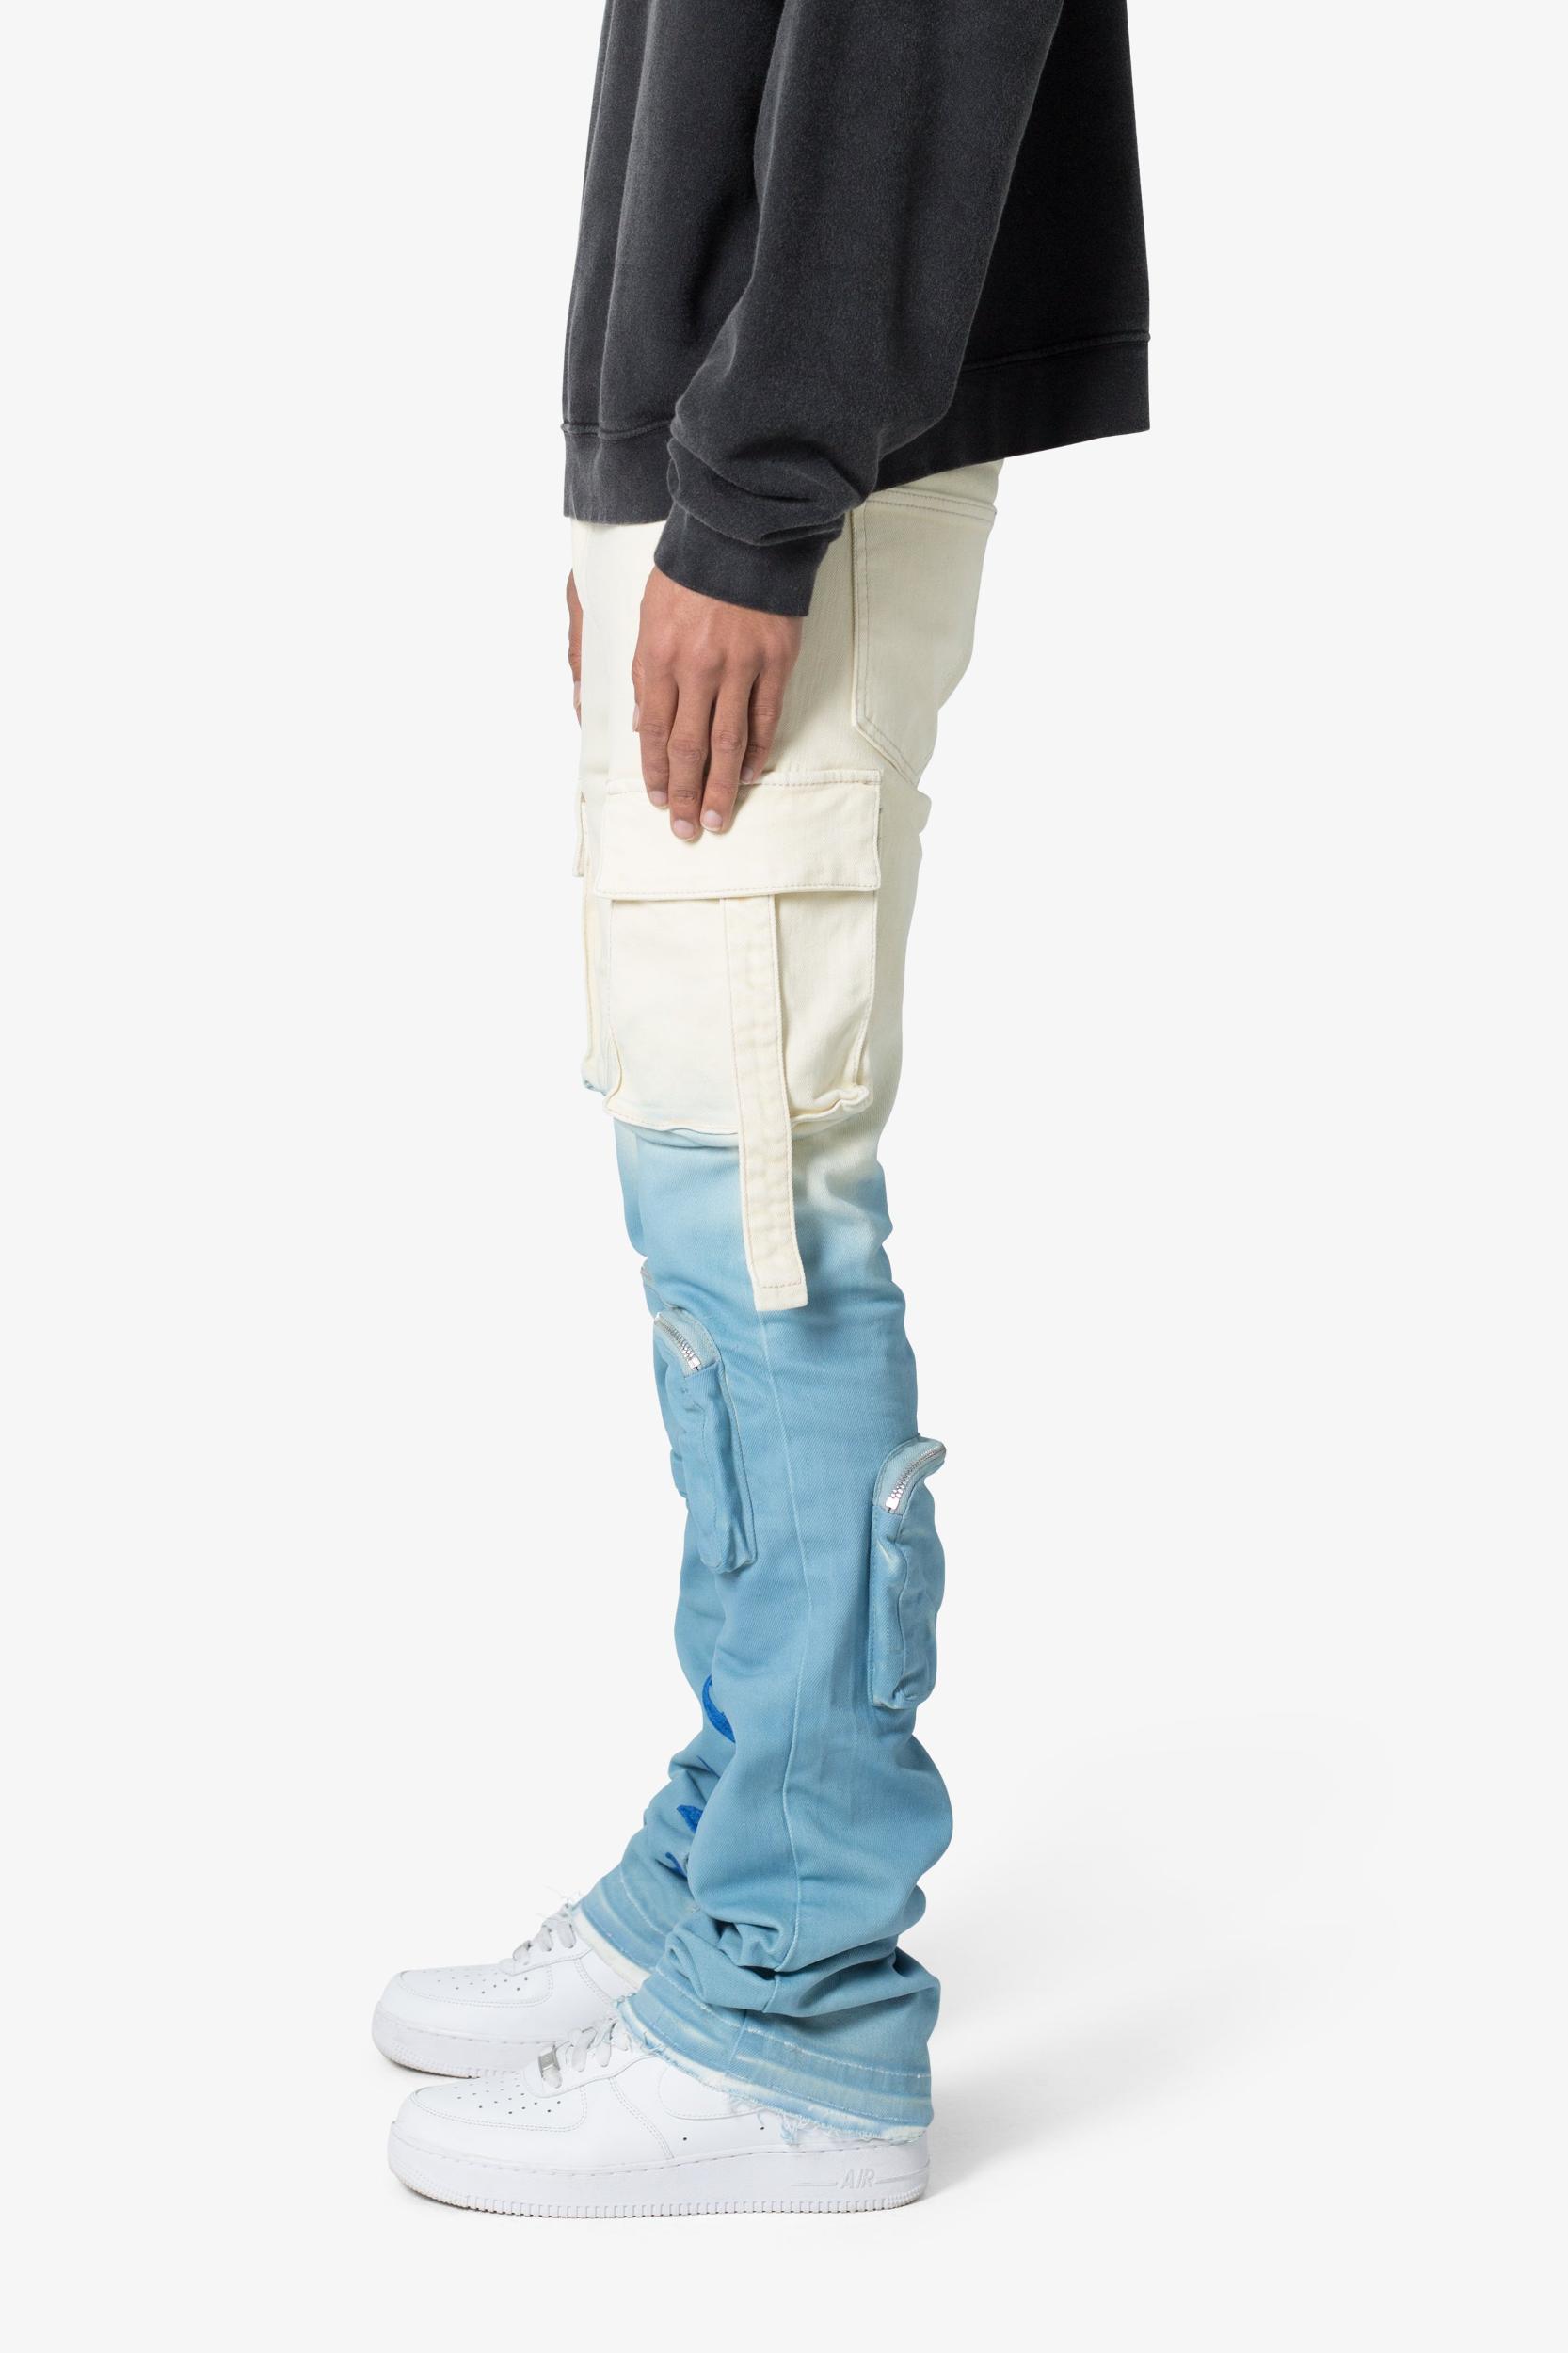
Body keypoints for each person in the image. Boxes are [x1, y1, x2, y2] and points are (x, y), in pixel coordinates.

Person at [376, 0, 1148, 2217]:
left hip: (793, 446)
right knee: (694, 1170)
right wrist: (639, 474)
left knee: (761, 1204)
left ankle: (796, 2001)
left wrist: (747, 487)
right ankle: (736, 1844)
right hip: (724, 429)